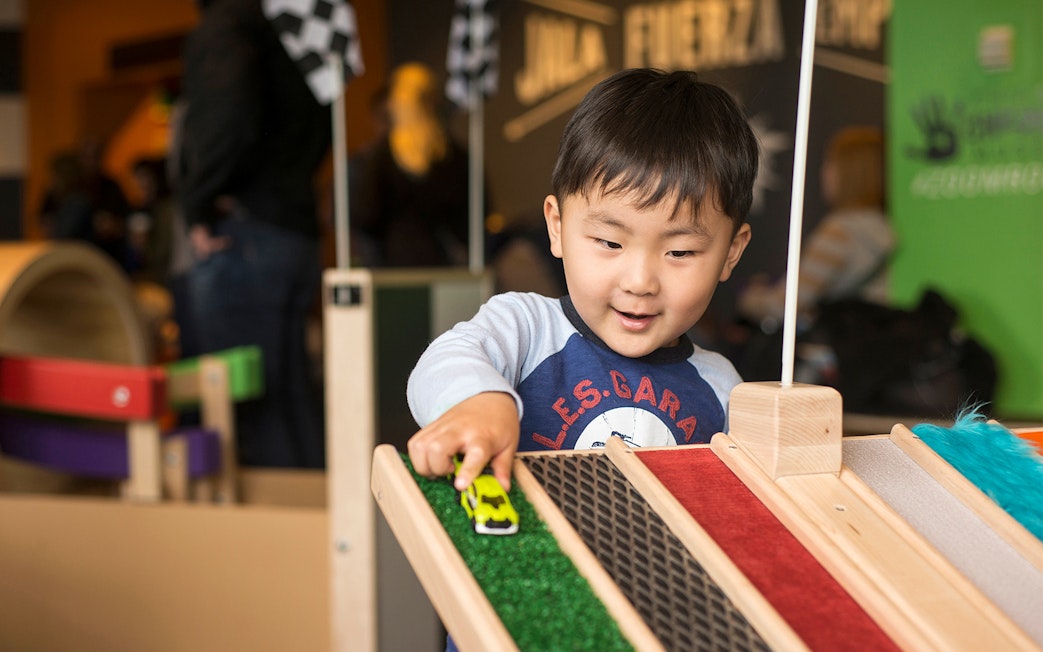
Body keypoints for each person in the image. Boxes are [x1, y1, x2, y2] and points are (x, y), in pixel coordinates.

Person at [406, 68, 758, 494]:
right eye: (610, 242)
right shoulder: (525, 329)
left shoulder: (723, 391)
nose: (640, 281)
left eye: (679, 252)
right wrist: (476, 403)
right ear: (557, 227)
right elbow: (443, 362)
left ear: (731, 253)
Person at [177, 0, 330, 468]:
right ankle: (312, 528)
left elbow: (226, 117)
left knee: (246, 409)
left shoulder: (229, 25)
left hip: (245, 235)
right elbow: (324, 123)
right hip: (294, 229)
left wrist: (198, 207)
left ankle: (267, 537)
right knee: (290, 400)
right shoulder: (300, 29)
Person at [736, 126, 894, 331]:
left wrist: (749, 298)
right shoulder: (885, 228)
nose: (824, 172)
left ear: (849, 172)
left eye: (830, 163)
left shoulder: (840, 232)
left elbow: (783, 305)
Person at [349, 62, 471, 267]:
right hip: (437, 263)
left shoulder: (380, 156)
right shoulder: (454, 155)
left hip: (395, 265)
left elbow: (366, 216)